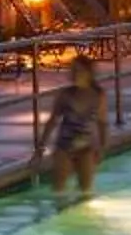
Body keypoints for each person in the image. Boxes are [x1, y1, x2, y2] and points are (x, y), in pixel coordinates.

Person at [40, 51, 108, 199]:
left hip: (86, 147)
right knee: (59, 193)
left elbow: (102, 123)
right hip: (64, 146)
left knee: (86, 193)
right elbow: (52, 121)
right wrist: (40, 148)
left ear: (89, 73)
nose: (74, 74)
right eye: (72, 71)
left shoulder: (98, 95)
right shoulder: (65, 94)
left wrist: (102, 147)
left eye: (78, 71)